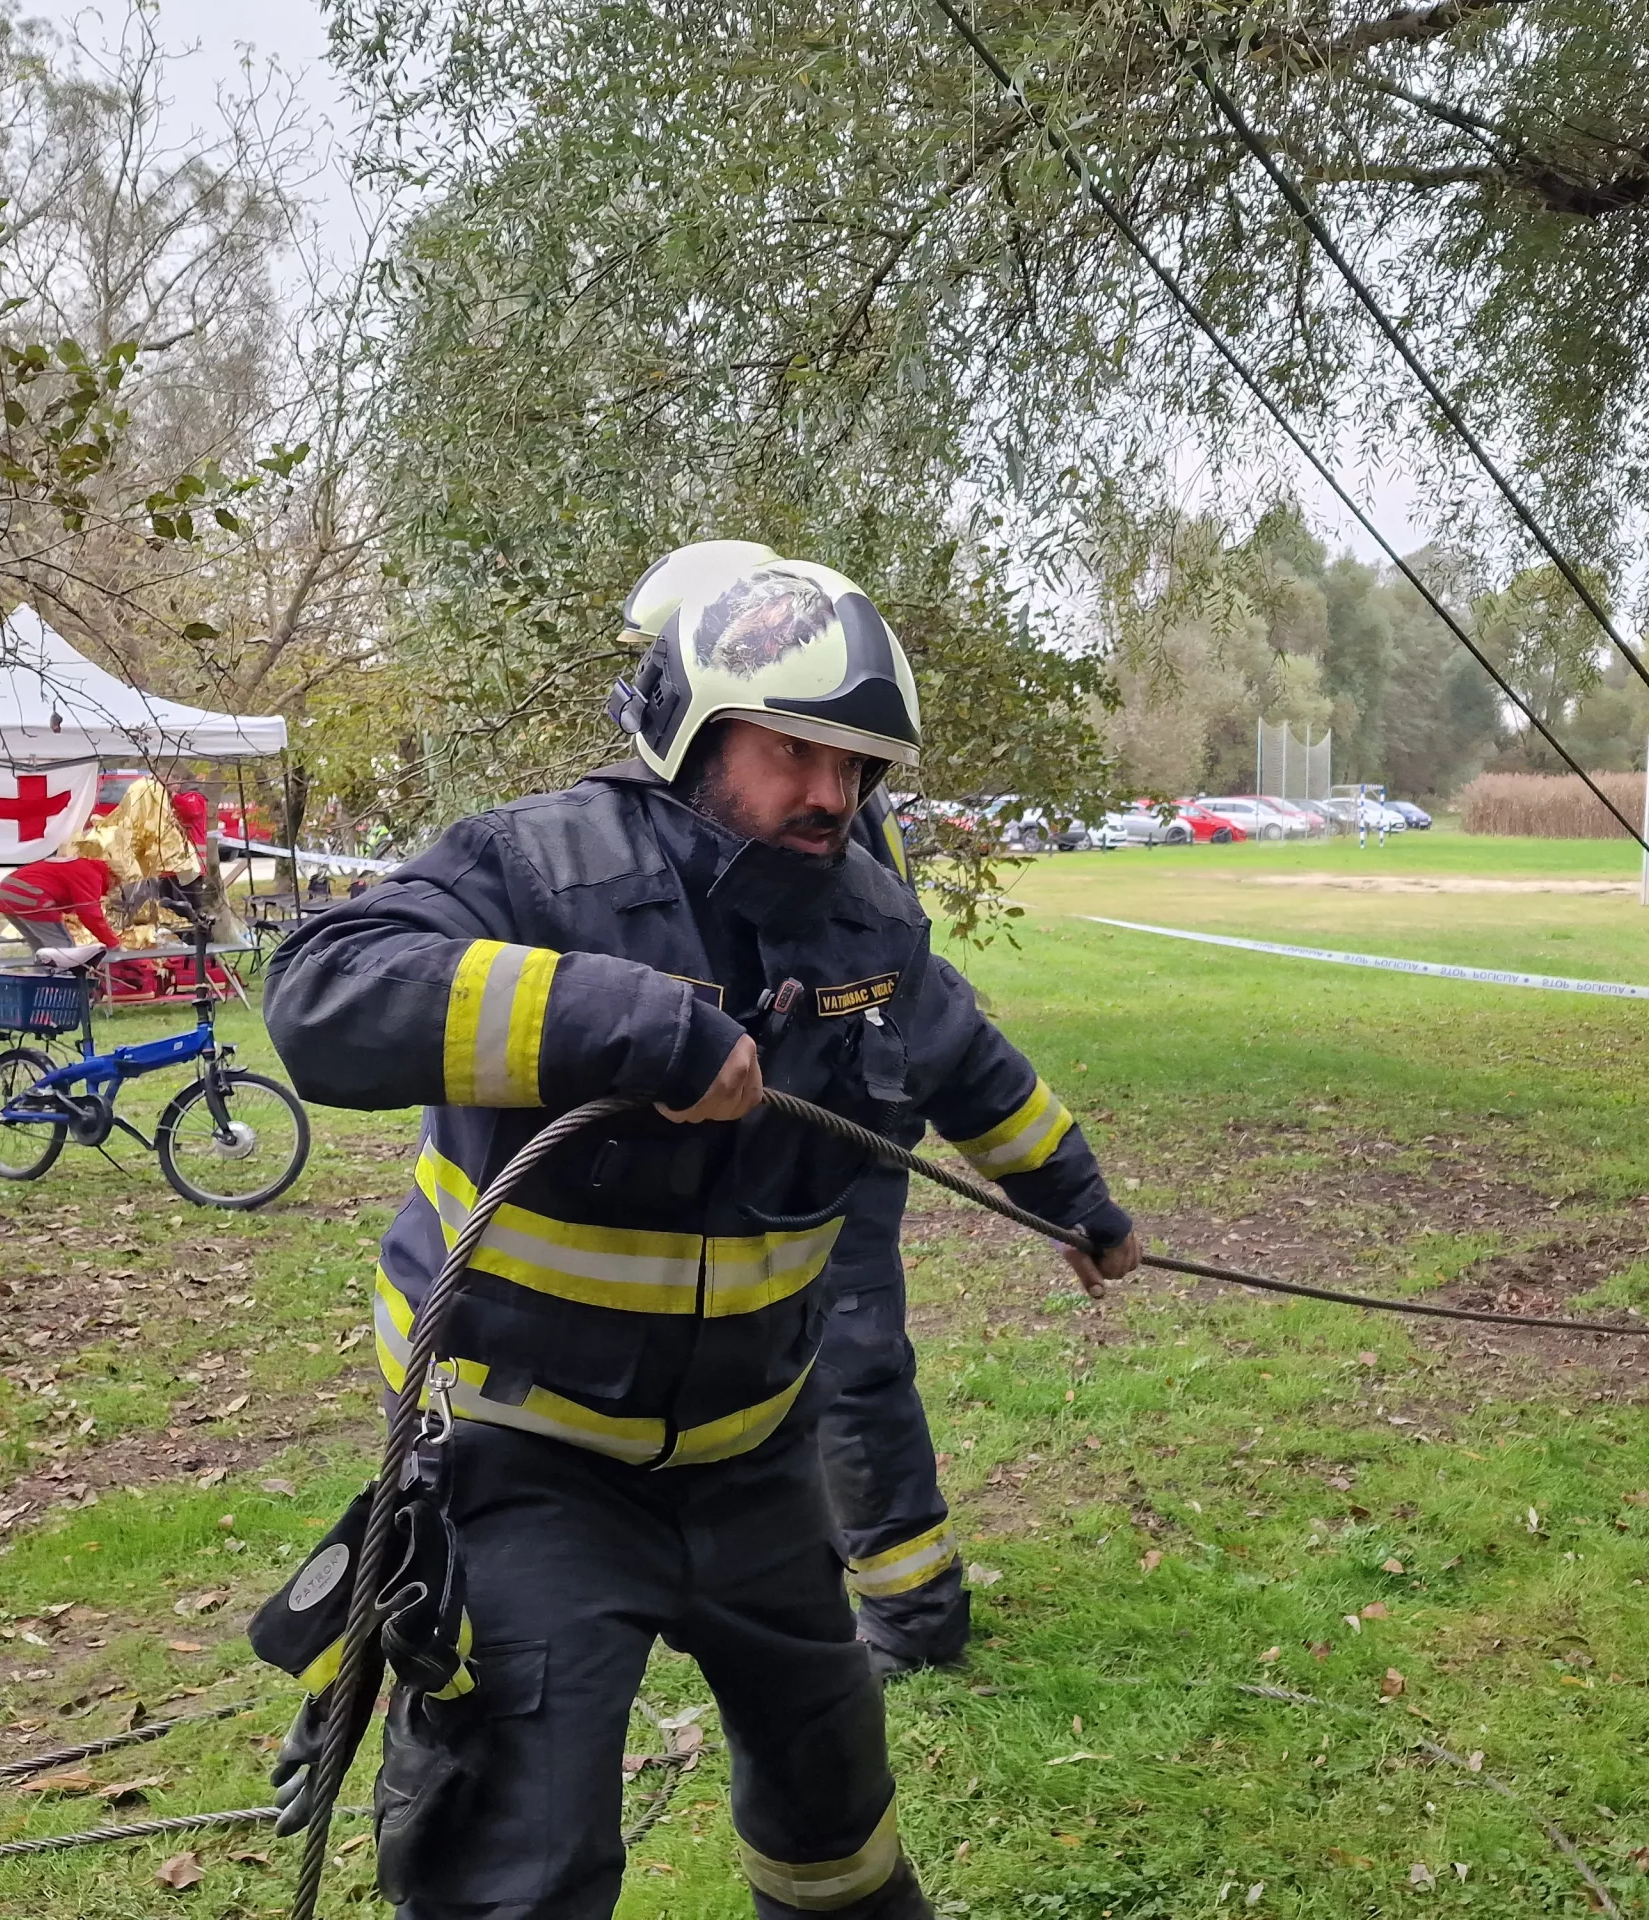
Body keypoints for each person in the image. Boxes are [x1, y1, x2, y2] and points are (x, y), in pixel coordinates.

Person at [260, 541, 1142, 1920]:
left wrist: (1076, 1203)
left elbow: (974, 1067)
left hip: (752, 1462)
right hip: (526, 1461)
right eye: (796, 752)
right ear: (695, 726)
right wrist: (629, 1024)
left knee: (831, 1802)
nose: (831, 795)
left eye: (858, 766)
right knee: (524, 1858)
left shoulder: (867, 921)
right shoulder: (538, 866)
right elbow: (324, 997)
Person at [815, 792, 970, 1679]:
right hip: (818, 1119)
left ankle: (916, 1612)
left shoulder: (829, 804)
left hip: (844, 1125)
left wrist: (1080, 1205)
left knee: (848, 1365)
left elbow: (928, 1016)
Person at [0, 835, 118, 955]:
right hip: (31, 895)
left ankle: (41, 976)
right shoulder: (91, 874)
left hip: (7, 891)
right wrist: (113, 944)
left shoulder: (80, 866)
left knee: (41, 948)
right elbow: (89, 913)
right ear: (111, 874)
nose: (112, 889)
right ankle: (63, 977)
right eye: (115, 883)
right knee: (64, 950)